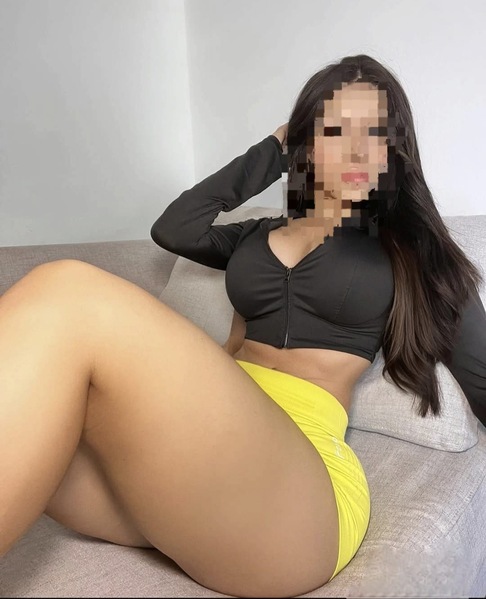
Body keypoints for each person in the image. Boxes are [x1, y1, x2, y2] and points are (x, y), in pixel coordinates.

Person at [1, 54, 485, 598]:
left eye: (375, 133)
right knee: (37, 406)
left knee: (67, 291)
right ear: (305, 145)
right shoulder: (255, 236)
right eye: (334, 130)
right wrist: (272, 150)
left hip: (299, 491)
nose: (357, 150)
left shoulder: (413, 249)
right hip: (204, 458)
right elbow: (175, 228)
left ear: (391, 150)